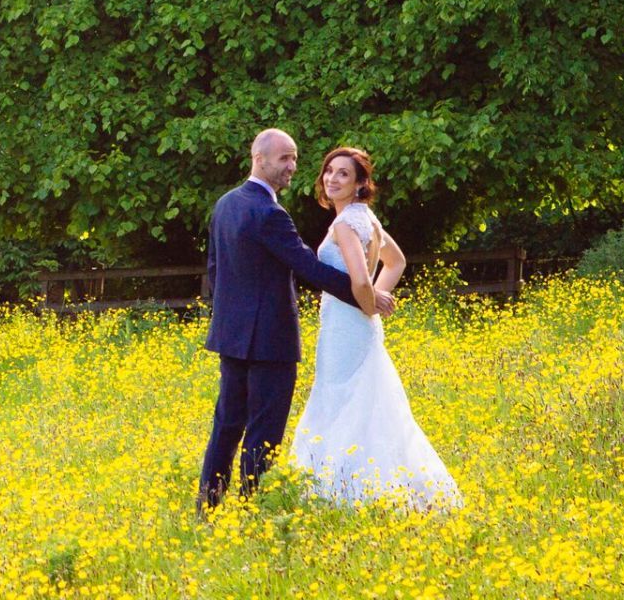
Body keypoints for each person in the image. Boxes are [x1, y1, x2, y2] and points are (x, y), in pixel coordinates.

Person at [196, 129, 396, 513]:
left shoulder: (225, 204)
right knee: (264, 433)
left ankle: (208, 509)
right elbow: (308, 267)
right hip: (270, 341)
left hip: (232, 337)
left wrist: (228, 322)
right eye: (285, 158)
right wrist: (367, 298)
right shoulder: (269, 213)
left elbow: (216, 271)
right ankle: (254, 511)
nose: (292, 167)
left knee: (226, 426)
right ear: (260, 158)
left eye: (295, 159)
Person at [288, 146, 461, 509]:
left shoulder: (343, 224)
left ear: (360, 183)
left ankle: (342, 493)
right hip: (357, 325)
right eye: (329, 171)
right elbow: (395, 262)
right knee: (366, 400)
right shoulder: (366, 218)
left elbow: (361, 281)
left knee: (342, 400)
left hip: (346, 327)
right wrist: (377, 301)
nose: (332, 179)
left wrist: (371, 302)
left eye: (343, 174)